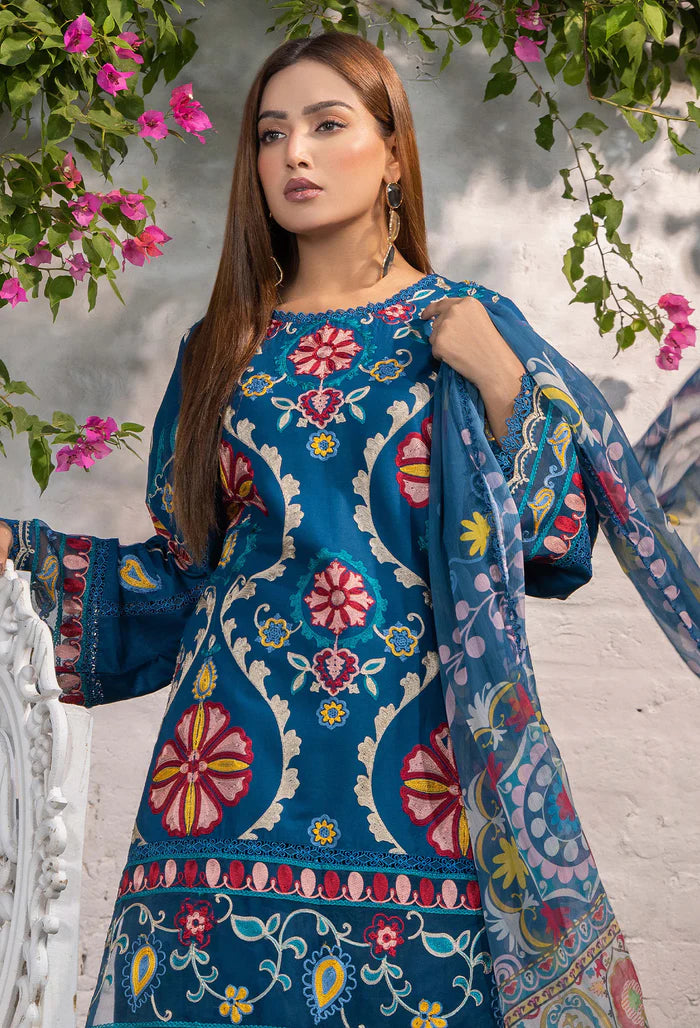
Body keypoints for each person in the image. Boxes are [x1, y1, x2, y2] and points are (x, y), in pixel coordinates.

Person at [2, 30, 696, 1028]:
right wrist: (23, 556)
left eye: (328, 125)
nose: (295, 153)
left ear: (393, 152)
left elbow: (556, 539)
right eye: (271, 133)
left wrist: (503, 381)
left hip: (427, 778)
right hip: (222, 791)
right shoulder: (220, 348)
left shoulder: (466, 322)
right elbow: (181, 580)